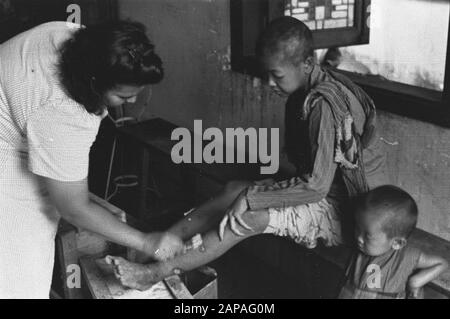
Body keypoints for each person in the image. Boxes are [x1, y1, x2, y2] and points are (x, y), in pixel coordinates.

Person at [106, 16, 388, 291]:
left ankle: (155, 272)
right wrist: (249, 195)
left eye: (276, 75)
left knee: (247, 215)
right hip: (323, 190)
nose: (269, 83)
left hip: (350, 214)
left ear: (307, 64)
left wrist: (253, 199)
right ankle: (159, 246)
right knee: (233, 190)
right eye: (266, 74)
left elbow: (315, 186)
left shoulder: (323, 106)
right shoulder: (311, 87)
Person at [0, 20, 184, 298]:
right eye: (123, 95)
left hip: (17, 111)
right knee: (20, 276)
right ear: (93, 82)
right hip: (6, 145)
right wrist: (146, 241)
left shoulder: (81, 39)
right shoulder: (61, 111)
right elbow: (73, 208)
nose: (132, 103)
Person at [339, 185, 448, 299]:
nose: (359, 238)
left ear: (397, 243)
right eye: (357, 228)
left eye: (368, 235)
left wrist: (416, 282)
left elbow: (442, 264)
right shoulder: (359, 247)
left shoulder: (407, 255)